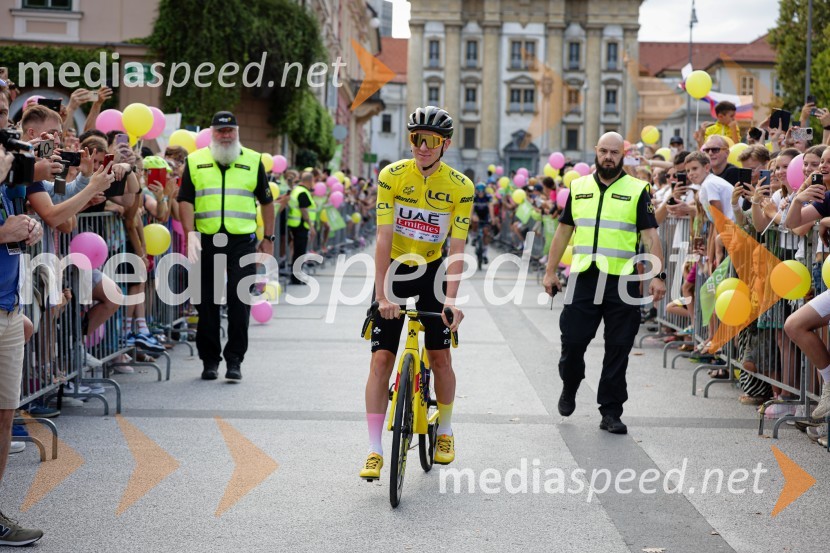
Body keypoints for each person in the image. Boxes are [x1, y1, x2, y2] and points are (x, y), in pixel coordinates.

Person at [360, 106, 471, 480]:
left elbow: (457, 250)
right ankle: (375, 449)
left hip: (433, 270)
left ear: (445, 144)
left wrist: (451, 301)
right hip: (394, 268)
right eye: (416, 139)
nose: (423, 147)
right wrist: (382, 296)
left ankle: (446, 430)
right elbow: (383, 236)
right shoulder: (391, 175)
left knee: (440, 358)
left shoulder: (460, 186)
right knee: (380, 362)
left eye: (432, 141)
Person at [543, 132, 666, 434]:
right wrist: (549, 272)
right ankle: (570, 384)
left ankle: (610, 411)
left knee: (618, 348)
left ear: (622, 154)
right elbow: (562, 232)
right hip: (584, 277)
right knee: (572, 342)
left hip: (622, 281)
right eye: (603, 151)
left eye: (614, 152)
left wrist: (658, 276)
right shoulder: (579, 186)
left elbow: (650, 235)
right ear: (596, 151)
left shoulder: (638, 190)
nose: (608, 157)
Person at [178, 111, 274, 381]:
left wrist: (269, 238)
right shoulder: (195, 161)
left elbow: (267, 202)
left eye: (230, 130)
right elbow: (184, 199)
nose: (226, 135)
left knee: (239, 297)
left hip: (242, 241)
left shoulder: (253, 160)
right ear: (212, 133)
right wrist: (190, 233)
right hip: (206, 240)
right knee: (205, 300)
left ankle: (234, 360)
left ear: (237, 131)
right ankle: (209, 360)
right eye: (221, 131)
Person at [0, 141, 45, 544]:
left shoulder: (7, 167)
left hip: (10, 310)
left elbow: (35, 214)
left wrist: (28, 227)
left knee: (2, 417)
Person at [286, 172, 316, 284]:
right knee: (300, 253)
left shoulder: (297, 190)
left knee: (298, 252)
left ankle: (296, 277)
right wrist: (311, 227)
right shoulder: (303, 192)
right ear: (310, 180)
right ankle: (297, 278)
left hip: (296, 225)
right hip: (301, 225)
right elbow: (304, 211)